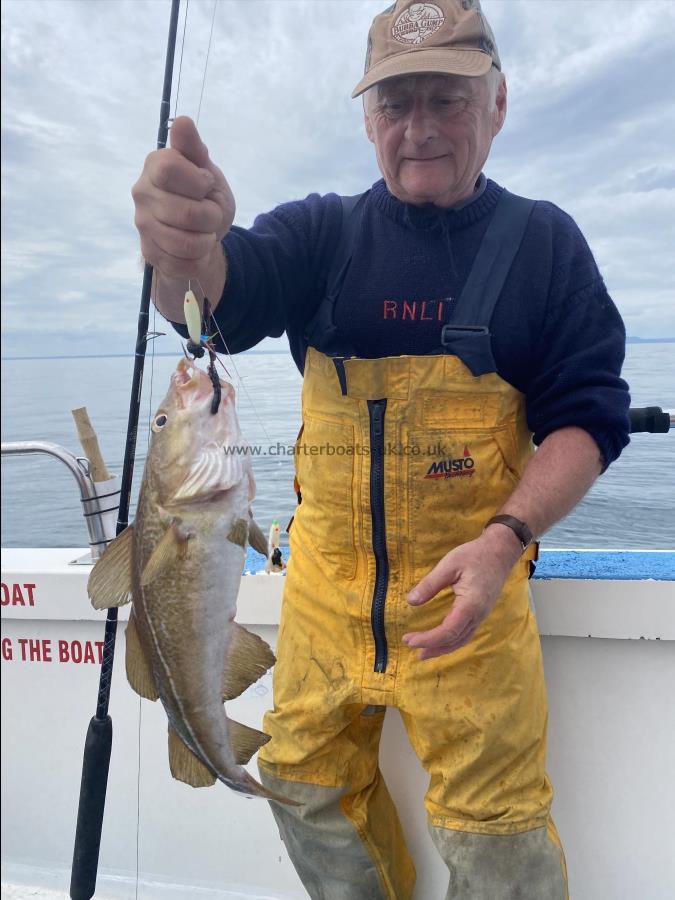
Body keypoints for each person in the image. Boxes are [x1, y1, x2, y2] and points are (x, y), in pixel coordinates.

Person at [131, 1, 630, 896]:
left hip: (472, 602)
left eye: (446, 99)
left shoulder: (545, 245)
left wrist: (505, 536)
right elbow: (218, 294)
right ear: (367, 119)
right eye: (396, 105)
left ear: (498, 104)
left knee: (497, 832)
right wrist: (179, 250)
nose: (420, 129)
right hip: (322, 597)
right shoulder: (321, 235)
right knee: (300, 783)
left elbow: (589, 419)